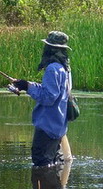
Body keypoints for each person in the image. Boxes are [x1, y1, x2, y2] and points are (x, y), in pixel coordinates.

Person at [13, 31, 73, 167]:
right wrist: (27, 85)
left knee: (41, 163)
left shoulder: (52, 69)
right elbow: (52, 91)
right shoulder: (64, 69)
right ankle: (53, 187)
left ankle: (46, 188)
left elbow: (48, 98)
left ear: (50, 49)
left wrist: (27, 87)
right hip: (58, 126)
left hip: (47, 126)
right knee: (51, 164)